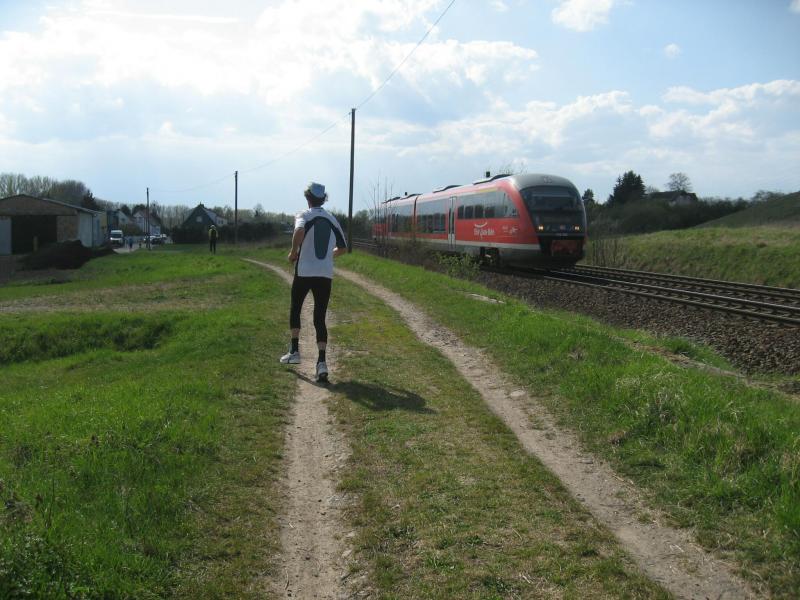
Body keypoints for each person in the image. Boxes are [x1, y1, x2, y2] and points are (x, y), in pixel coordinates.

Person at [280, 182, 347, 382]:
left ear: (307, 197)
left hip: (304, 271)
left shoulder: (303, 214)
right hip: (324, 274)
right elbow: (343, 247)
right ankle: (322, 363)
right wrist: (327, 257)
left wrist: (293, 252)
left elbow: (299, 231)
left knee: (296, 308)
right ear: (323, 199)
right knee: (319, 317)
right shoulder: (331, 218)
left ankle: (294, 351)